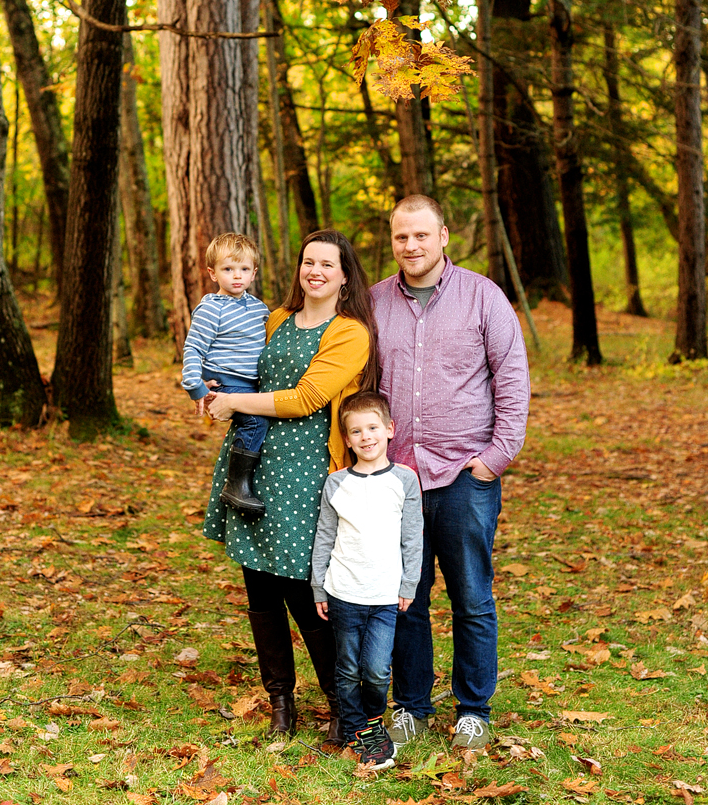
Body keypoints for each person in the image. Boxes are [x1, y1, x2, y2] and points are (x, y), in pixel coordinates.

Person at [203, 230, 378, 745]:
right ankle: (281, 701)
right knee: (258, 585)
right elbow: (242, 370)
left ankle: (342, 704)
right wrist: (215, 389)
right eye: (307, 261)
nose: (315, 271)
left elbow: (306, 398)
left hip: (306, 474)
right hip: (253, 462)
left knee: (306, 592)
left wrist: (237, 404)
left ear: (345, 275)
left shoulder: (350, 333)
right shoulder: (273, 319)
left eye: (327, 264)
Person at [371, 195, 530, 753]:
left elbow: (511, 377)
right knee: (405, 598)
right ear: (392, 241)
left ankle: (473, 709)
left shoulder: (483, 297)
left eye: (420, 235)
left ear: (443, 237)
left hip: (466, 475)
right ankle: (411, 706)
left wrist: (496, 457)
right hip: (397, 478)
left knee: (471, 596)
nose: (410, 246)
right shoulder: (374, 304)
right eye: (400, 237)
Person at [311, 390, 422, 771]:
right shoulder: (336, 483)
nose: (366, 436)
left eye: (373, 427)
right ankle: (357, 728)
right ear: (347, 439)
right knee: (346, 667)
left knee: (375, 670)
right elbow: (325, 536)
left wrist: (409, 585)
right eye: (356, 431)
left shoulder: (404, 480)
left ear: (390, 430)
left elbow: (413, 537)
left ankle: (372, 719)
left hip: (384, 595)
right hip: (343, 592)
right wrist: (317, 586)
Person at [182, 233, 270, 516]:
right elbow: (193, 348)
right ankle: (236, 484)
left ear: (253, 273)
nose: (237, 276)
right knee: (255, 421)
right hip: (228, 383)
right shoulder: (211, 308)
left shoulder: (260, 309)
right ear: (212, 273)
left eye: (244, 269)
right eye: (228, 269)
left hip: (253, 384)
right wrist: (195, 386)